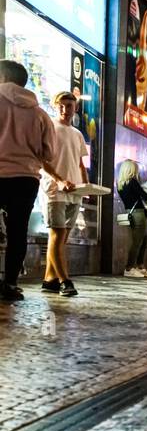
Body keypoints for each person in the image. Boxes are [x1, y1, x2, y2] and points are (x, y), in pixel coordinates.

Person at [0, 60, 71, 301]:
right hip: (26, 178)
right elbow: (48, 153)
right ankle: (9, 284)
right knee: (17, 231)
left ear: (3, 77)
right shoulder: (40, 114)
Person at [40, 91, 90, 297]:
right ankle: (65, 281)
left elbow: (80, 163)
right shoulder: (49, 127)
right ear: (54, 105)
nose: (65, 109)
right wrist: (59, 180)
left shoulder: (77, 134)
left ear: (75, 108)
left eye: (69, 105)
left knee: (63, 237)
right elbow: (41, 160)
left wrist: (86, 186)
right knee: (57, 234)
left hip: (75, 192)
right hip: (54, 190)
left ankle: (49, 279)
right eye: (61, 105)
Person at [117, 160, 147, 277]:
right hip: (138, 213)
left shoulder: (120, 184)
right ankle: (129, 268)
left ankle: (140, 265)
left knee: (144, 239)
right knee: (138, 241)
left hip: (130, 213)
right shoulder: (133, 182)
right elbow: (144, 196)